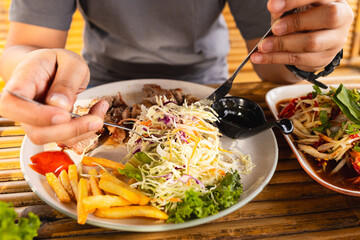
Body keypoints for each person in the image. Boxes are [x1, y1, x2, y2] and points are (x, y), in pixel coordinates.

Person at [0, 0, 354, 146]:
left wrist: (310, 46)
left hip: (207, 85)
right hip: (94, 85)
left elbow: (276, 67)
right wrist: (42, 71)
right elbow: (26, 44)